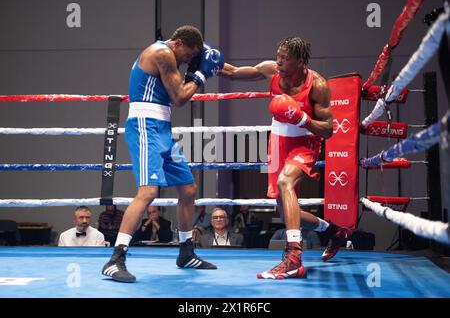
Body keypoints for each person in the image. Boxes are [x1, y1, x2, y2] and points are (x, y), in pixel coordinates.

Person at [102, 25, 224, 282]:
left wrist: (264, 71)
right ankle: (115, 260)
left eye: (192, 59)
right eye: (188, 56)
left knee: (188, 189)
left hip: (163, 129)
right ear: (178, 43)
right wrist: (200, 76)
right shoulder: (162, 53)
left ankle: (186, 252)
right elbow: (179, 97)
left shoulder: (177, 53)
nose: (187, 61)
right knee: (147, 192)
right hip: (145, 126)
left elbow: (227, 69)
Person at [220, 37, 350, 279]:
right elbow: (235, 71)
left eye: (284, 58)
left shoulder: (317, 85)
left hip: (305, 142)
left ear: (300, 61)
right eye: (277, 55)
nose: (278, 61)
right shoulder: (272, 70)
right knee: (287, 211)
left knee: (285, 182)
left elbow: (329, 129)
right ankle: (335, 232)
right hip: (278, 141)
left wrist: (303, 119)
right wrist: (208, 63)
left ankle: (293, 257)